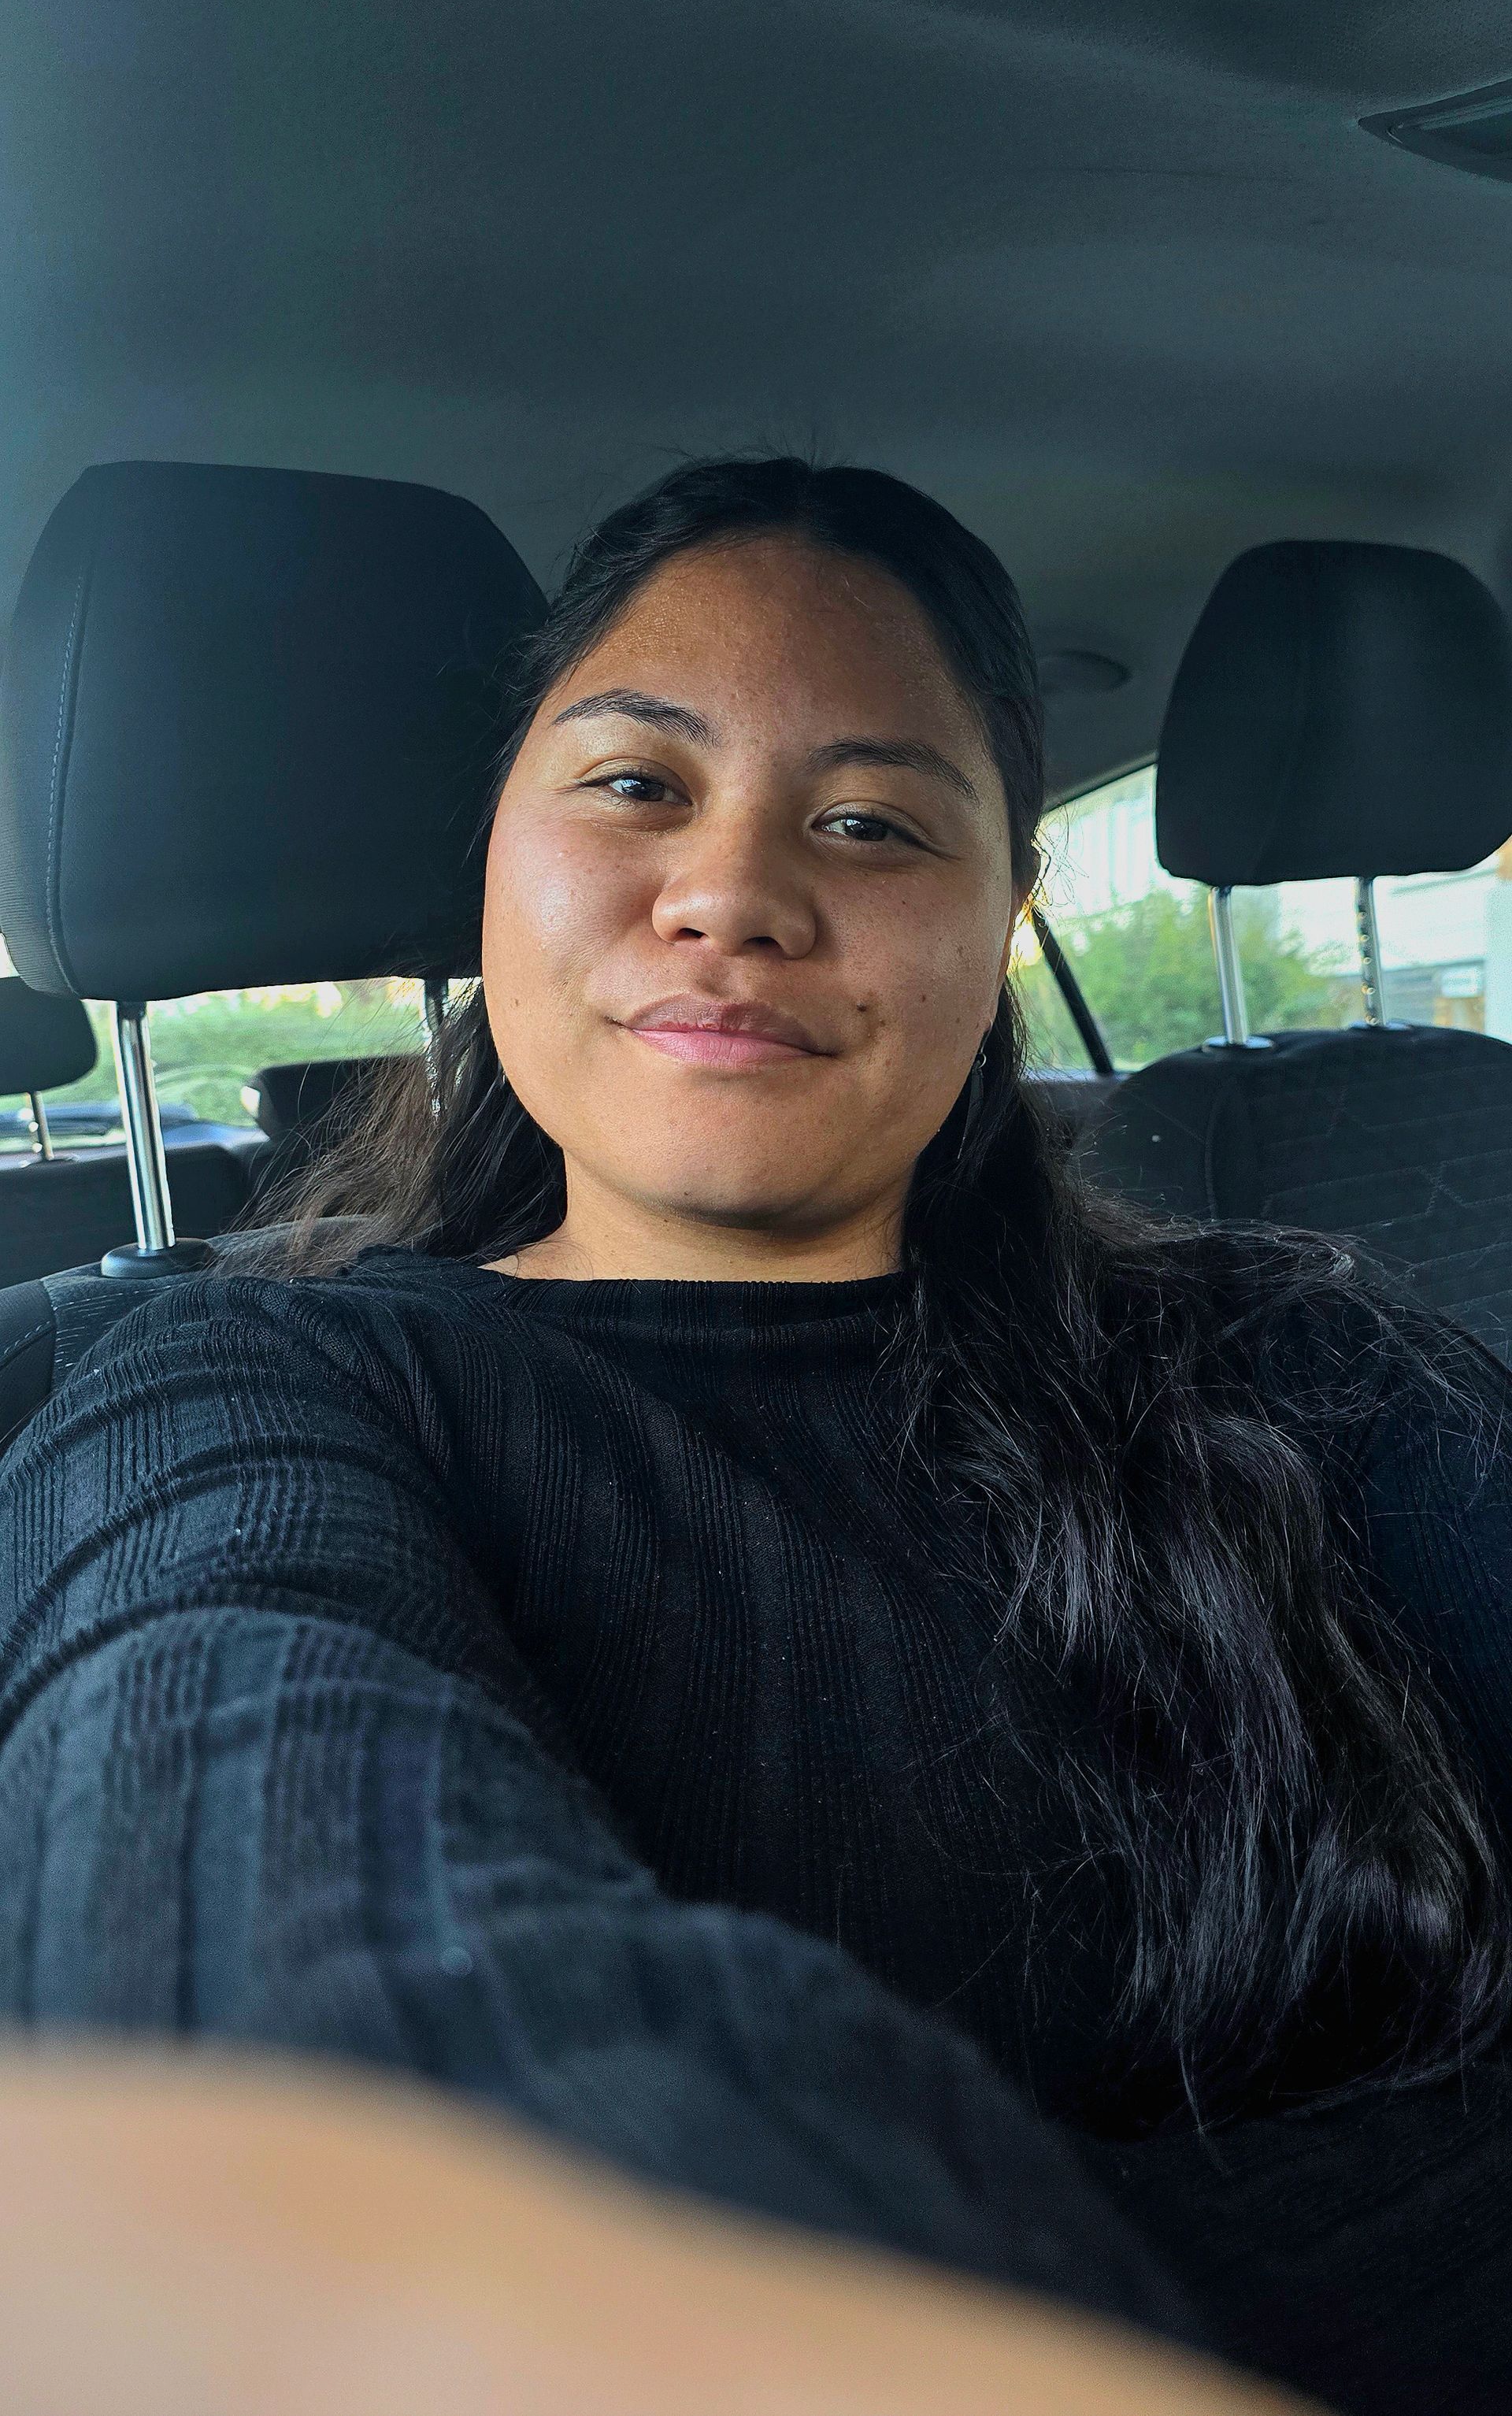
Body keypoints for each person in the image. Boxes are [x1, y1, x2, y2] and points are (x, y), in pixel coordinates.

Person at [0, 456, 1508, 2410]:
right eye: (637, 782)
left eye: (872, 820)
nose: (729, 893)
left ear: (1000, 927)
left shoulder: (1310, 1365)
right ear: (492, 857)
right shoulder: (240, 1394)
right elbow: (259, 2003)